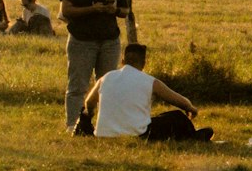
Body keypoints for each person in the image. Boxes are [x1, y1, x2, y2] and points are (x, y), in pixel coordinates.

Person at [59, 0, 130, 130]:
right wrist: (92, 9)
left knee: (107, 85)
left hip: (109, 40)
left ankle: (104, 125)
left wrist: (113, 10)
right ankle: (73, 125)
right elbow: (66, 10)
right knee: (78, 86)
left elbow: (125, 11)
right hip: (82, 40)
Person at [82, 44, 211, 141]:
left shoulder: (106, 78)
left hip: (103, 134)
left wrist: (90, 114)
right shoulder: (150, 81)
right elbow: (179, 101)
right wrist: (191, 108)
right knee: (176, 116)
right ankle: (193, 136)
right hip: (138, 134)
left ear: (122, 61)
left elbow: (89, 102)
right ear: (144, 63)